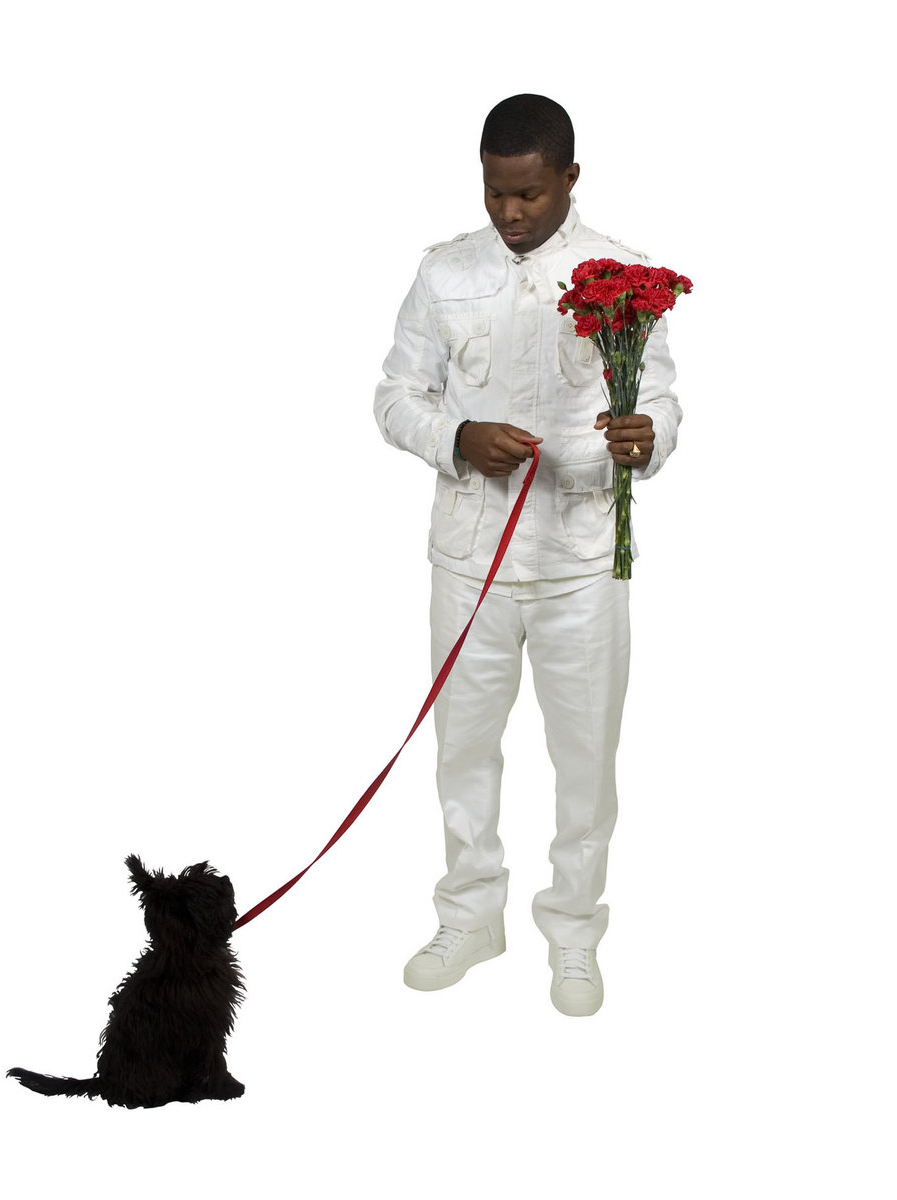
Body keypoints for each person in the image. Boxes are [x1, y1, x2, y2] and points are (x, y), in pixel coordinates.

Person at [373, 94, 680, 1016]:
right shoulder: (445, 272)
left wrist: (648, 437)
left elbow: (663, 401)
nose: (509, 211)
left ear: (569, 178)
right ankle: (471, 917)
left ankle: (574, 931)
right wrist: (457, 437)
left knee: (585, 763)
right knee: (463, 751)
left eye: (530, 194)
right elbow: (395, 396)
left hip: (582, 559)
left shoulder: (621, 275)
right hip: (470, 559)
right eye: (495, 191)